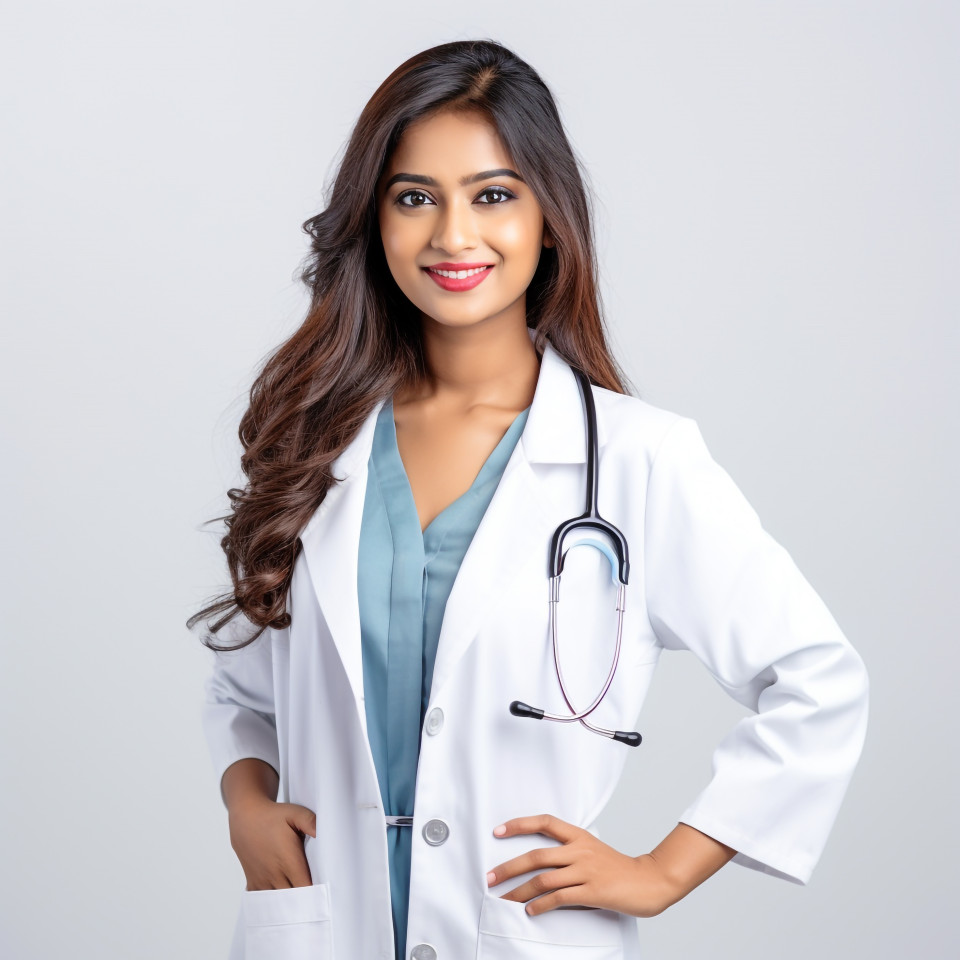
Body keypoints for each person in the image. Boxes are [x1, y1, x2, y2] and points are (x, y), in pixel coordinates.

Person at [190, 39, 869, 960]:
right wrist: (245, 801)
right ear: (374, 220)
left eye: (494, 195)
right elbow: (249, 683)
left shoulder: (639, 460)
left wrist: (665, 870)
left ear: (550, 218)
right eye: (415, 197)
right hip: (321, 929)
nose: (452, 236)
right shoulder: (317, 440)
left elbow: (818, 682)